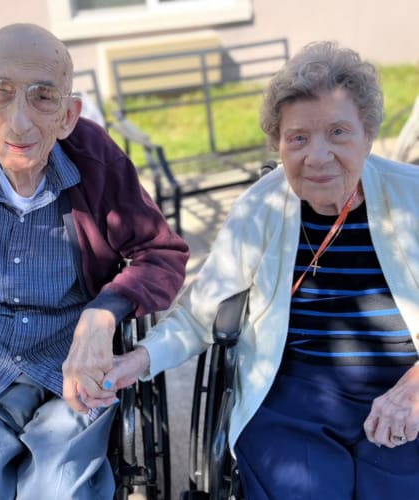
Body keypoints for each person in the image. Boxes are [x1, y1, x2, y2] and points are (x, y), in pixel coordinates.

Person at [103, 41, 419, 499]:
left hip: (402, 384)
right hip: (296, 396)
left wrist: (413, 387)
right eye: (298, 138)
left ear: (368, 135)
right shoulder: (262, 206)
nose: (317, 156)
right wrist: (137, 361)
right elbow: (200, 315)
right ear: (278, 144)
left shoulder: (410, 197)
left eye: (338, 132)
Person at [0, 23, 188, 499]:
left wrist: (106, 311)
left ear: (68, 115)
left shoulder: (96, 163)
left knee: (59, 490)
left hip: (70, 373)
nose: (18, 122)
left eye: (43, 98)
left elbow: (160, 253)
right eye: (1, 94)